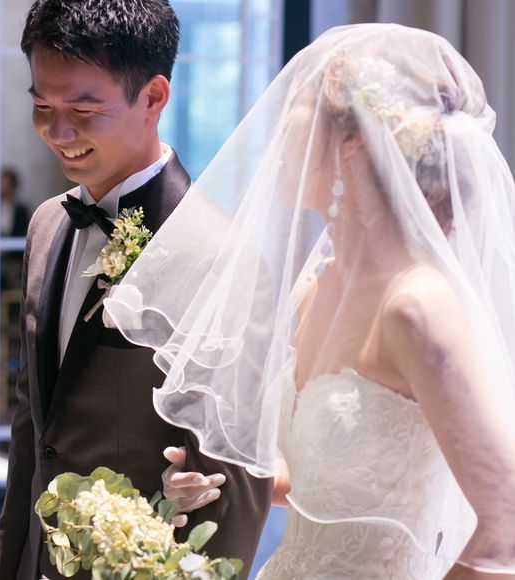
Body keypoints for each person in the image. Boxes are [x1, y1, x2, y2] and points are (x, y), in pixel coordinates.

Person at [105, 23, 515, 578]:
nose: (277, 125)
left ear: (355, 141)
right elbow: (332, 486)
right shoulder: (317, 288)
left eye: (297, 105)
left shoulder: (416, 306)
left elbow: (505, 526)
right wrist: (219, 481)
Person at [0, 2, 271, 579]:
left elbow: (238, 487)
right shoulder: (46, 224)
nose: (58, 132)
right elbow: (33, 431)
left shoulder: (219, 252)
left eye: (83, 110)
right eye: (42, 106)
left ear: (154, 97)